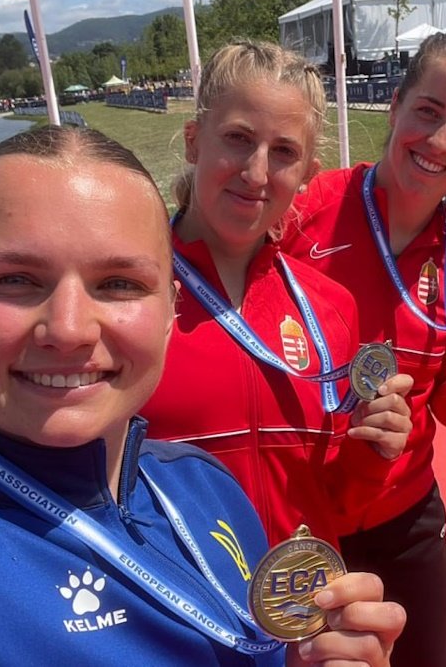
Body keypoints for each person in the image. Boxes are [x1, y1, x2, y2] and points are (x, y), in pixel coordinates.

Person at [0, 126, 404, 666]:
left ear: (170, 309)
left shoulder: (206, 485)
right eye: (15, 279)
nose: (67, 328)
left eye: (118, 284)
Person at [281, 30, 446, 667]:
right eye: (428, 111)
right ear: (394, 105)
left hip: (405, 515)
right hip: (298, 517)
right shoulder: (306, 211)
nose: (440, 140)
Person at [140, 39, 414, 549]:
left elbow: (335, 503)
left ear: (308, 173)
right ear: (195, 142)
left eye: (284, 151)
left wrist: (374, 449)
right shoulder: (128, 298)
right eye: (238, 138)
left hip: (303, 594)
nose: (256, 172)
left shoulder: (331, 308)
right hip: (173, 596)